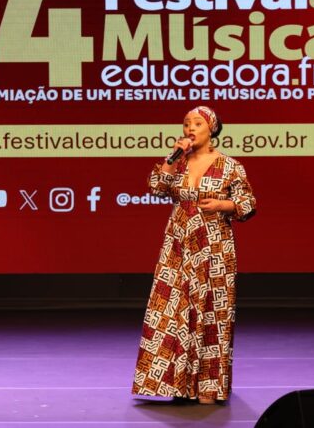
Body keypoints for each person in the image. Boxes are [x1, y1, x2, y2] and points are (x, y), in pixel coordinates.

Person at [132, 106, 256, 404]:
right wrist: (172, 159)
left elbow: (248, 203)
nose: (190, 128)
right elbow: (155, 188)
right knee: (171, 310)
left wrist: (223, 205)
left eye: (197, 123)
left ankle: (208, 387)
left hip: (214, 247)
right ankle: (176, 384)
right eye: (186, 123)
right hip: (178, 245)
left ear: (211, 129)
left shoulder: (229, 166)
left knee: (212, 312)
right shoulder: (178, 162)